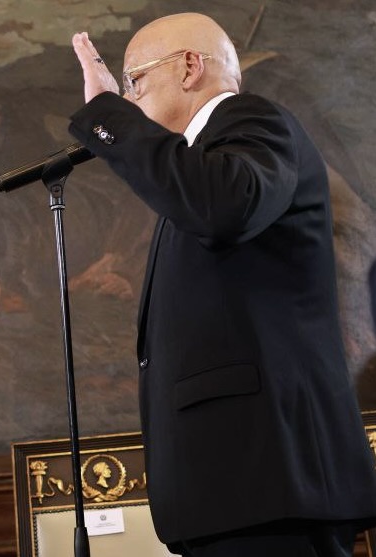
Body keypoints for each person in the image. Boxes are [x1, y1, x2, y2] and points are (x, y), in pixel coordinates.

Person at [68, 12, 376, 556]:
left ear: (190, 67)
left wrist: (107, 114)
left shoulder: (253, 119)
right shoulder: (198, 163)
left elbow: (223, 206)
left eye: (135, 81)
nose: (130, 99)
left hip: (269, 481)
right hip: (233, 488)